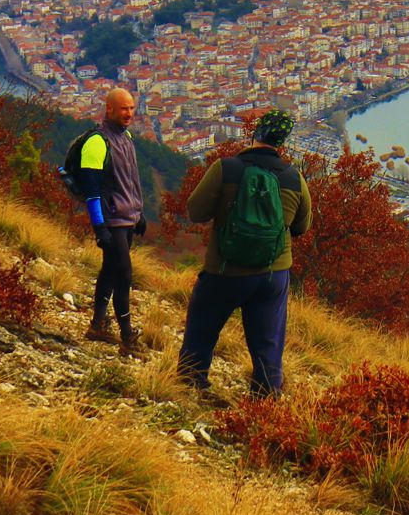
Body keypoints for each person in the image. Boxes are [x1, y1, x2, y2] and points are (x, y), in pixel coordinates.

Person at [178, 109, 314, 398]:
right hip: (272, 274)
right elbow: (302, 226)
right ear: (282, 142)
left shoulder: (225, 168)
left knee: (202, 329)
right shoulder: (294, 179)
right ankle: (265, 401)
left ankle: (191, 386)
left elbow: (195, 211)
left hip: (224, 269)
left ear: (256, 133)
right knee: (268, 343)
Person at [71, 87, 146, 357]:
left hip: (126, 217)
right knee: (123, 274)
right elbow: (92, 188)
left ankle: (98, 324)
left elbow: (131, 180)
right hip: (111, 219)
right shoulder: (98, 141)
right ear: (109, 109)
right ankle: (127, 337)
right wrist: (98, 226)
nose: (128, 113)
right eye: (123, 108)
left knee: (109, 270)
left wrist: (139, 213)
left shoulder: (125, 137)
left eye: (131, 108)